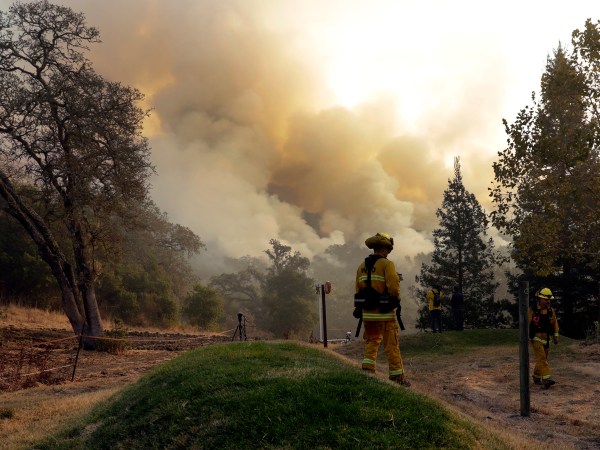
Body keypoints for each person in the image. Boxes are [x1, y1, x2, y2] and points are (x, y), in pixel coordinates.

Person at [355, 232, 409, 386]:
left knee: (371, 341)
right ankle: (397, 377)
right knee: (391, 344)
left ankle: (367, 368)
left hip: (368, 314)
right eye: (388, 249)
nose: (388, 252)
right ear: (384, 248)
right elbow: (393, 288)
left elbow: (357, 289)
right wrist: (395, 299)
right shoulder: (387, 264)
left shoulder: (361, 266)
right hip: (385, 314)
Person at [528, 287, 559, 388]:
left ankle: (536, 377)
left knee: (542, 359)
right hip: (536, 337)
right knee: (542, 358)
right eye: (546, 299)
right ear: (540, 299)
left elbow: (555, 324)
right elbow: (527, 323)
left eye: (549, 299)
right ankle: (546, 379)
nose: (548, 301)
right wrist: (526, 336)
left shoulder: (551, 311)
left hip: (546, 339)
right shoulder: (533, 310)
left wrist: (555, 337)